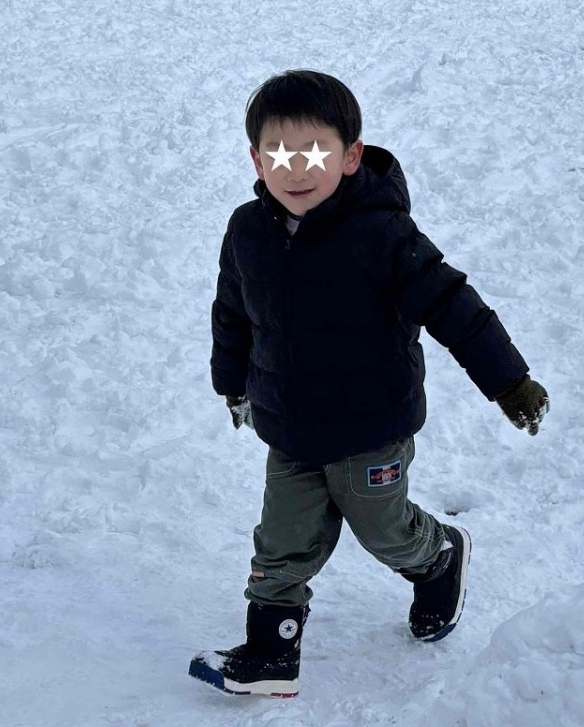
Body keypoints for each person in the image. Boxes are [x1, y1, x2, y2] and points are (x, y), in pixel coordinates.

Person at [189, 70, 549, 698]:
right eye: (278, 153)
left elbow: (454, 306)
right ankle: (272, 656)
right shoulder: (247, 230)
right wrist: (233, 383)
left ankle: (438, 557)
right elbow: (232, 312)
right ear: (255, 158)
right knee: (281, 541)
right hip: (291, 423)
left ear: (351, 156)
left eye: (315, 153)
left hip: (372, 424)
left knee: (382, 529)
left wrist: (511, 383)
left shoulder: (383, 236)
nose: (295, 169)